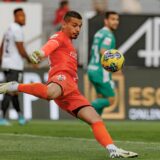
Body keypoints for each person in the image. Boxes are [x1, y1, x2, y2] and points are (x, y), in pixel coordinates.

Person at [0, 11, 138, 158]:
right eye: (74, 25)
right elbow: (51, 44)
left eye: (79, 26)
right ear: (64, 24)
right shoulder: (60, 37)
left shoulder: (70, 45)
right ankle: (15, 86)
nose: (77, 29)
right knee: (49, 93)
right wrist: (41, 53)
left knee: (95, 119)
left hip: (71, 89)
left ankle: (113, 149)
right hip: (61, 79)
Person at [0, 8, 30, 125]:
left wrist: (1, 59)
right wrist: (31, 60)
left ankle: (20, 117)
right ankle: (2, 118)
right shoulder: (17, 29)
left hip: (7, 63)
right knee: (9, 91)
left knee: (14, 91)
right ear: (15, 17)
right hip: (14, 65)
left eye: (24, 15)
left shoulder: (9, 28)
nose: (23, 18)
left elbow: (2, 45)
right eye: (21, 16)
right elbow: (21, 49)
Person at [87, 11, 119, 115]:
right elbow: (103, 51)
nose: (116, 22)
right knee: (111, 100)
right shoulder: (109, 36)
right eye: (113, 19)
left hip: (92, 69)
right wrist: (115, 66)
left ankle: (96, 125)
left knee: (100, 97)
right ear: (106, 21)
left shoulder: (99, 33)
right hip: (101, 72)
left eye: (117, 19)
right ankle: (89, 107)